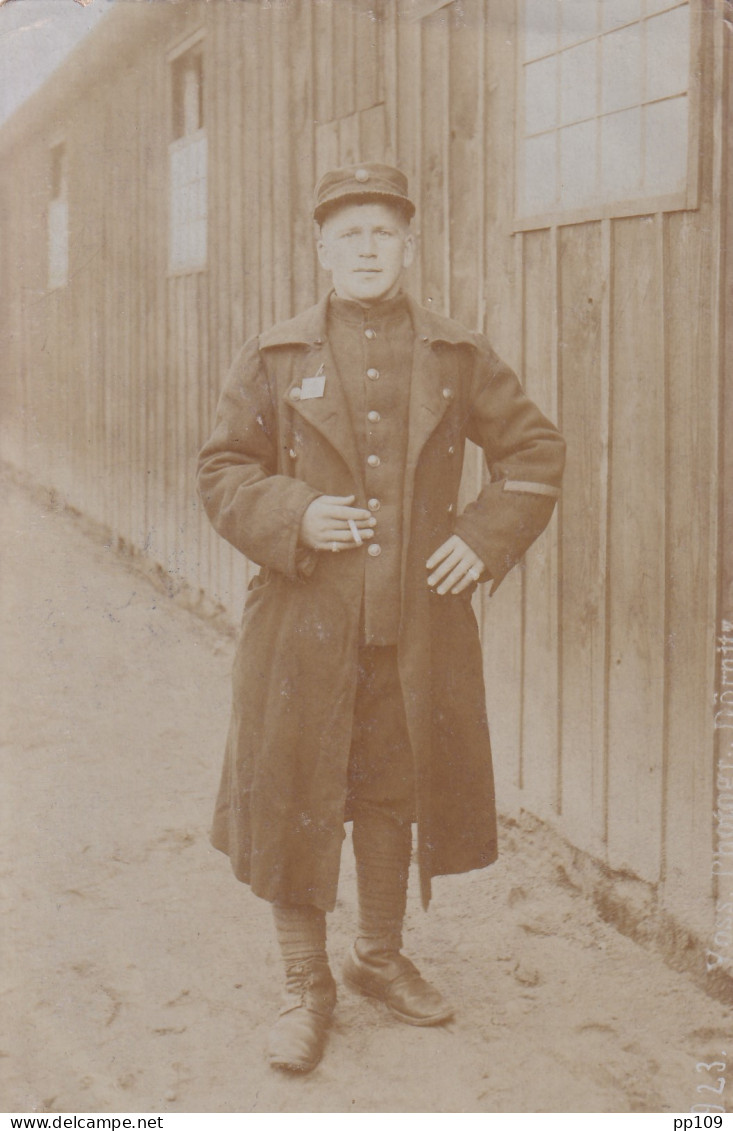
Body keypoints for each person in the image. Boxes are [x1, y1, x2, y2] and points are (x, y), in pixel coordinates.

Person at [197, 162, 565, 1073]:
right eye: (348, 232)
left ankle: (376, 955)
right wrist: (295, 514)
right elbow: (221, 472)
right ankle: (304, 982)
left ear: (408, 246)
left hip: (417, 628)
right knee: (294, 791)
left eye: (382, 233)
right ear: (322, 247)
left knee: (395, 787)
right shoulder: (277, 355)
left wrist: (482, 538)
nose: (366, 248)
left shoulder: (455, 353)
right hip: (297, 625)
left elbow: (533, 451)